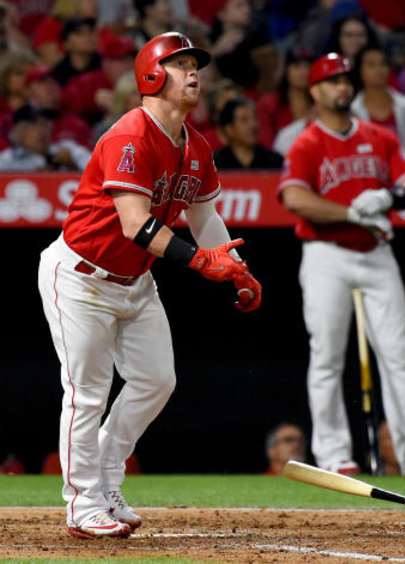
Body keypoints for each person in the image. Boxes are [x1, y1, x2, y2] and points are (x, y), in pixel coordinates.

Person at [37, 31, 262, 540]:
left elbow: (204, 218)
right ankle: (83, 503)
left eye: (195, 65)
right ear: (153, 74)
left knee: (156, 381)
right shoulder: (129, 134)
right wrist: (199, 262)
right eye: (181, 64)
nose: (194, 74)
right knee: (87, 394)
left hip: (134, 280)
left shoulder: (196, 145)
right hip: (81, 277)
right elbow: (135, 223)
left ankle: (109, 480)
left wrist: (236, 266)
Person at [278, 52, 405, 477]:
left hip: (376, 253)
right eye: (331, 81)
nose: (342, 87)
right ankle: (334, 455)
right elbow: (294, 198)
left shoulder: (378, 137)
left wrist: (391, 198)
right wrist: (350, 212)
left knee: (399, 354)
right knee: (327, 355)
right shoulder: (307, 142)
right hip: (326, 253)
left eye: (346, 80)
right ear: (315, 91)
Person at [351, 46, 405, 152]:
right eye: (371, 65)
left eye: (383, 64)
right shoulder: (351, 111)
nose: (379, 69)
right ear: (360, 71)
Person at [214, 96, 284, 170]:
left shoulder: (274, 161)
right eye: (244, 120)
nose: (253, 125)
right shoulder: (216, 163)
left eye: (255, 118)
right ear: (230, 129)